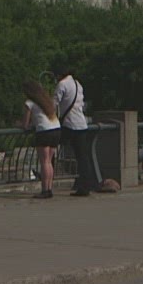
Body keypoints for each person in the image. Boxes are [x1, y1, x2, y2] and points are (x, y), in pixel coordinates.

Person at [54, 67, 96, 197]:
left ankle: (47, 174)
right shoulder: (78, 84)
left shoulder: (62, 84)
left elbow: (53, 103)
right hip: (81, 124)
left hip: (69, 124)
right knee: (83, 157)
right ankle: (85, 186)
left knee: (50, 146)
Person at [21, 80, 62, 199]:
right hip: (56, 129)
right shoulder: (46, 101)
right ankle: (49, 188)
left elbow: (25, 124)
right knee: (49, 161)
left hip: (44, 131)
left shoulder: (29, 103)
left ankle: (44, 190)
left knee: (44, 162)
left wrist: (20, 124)